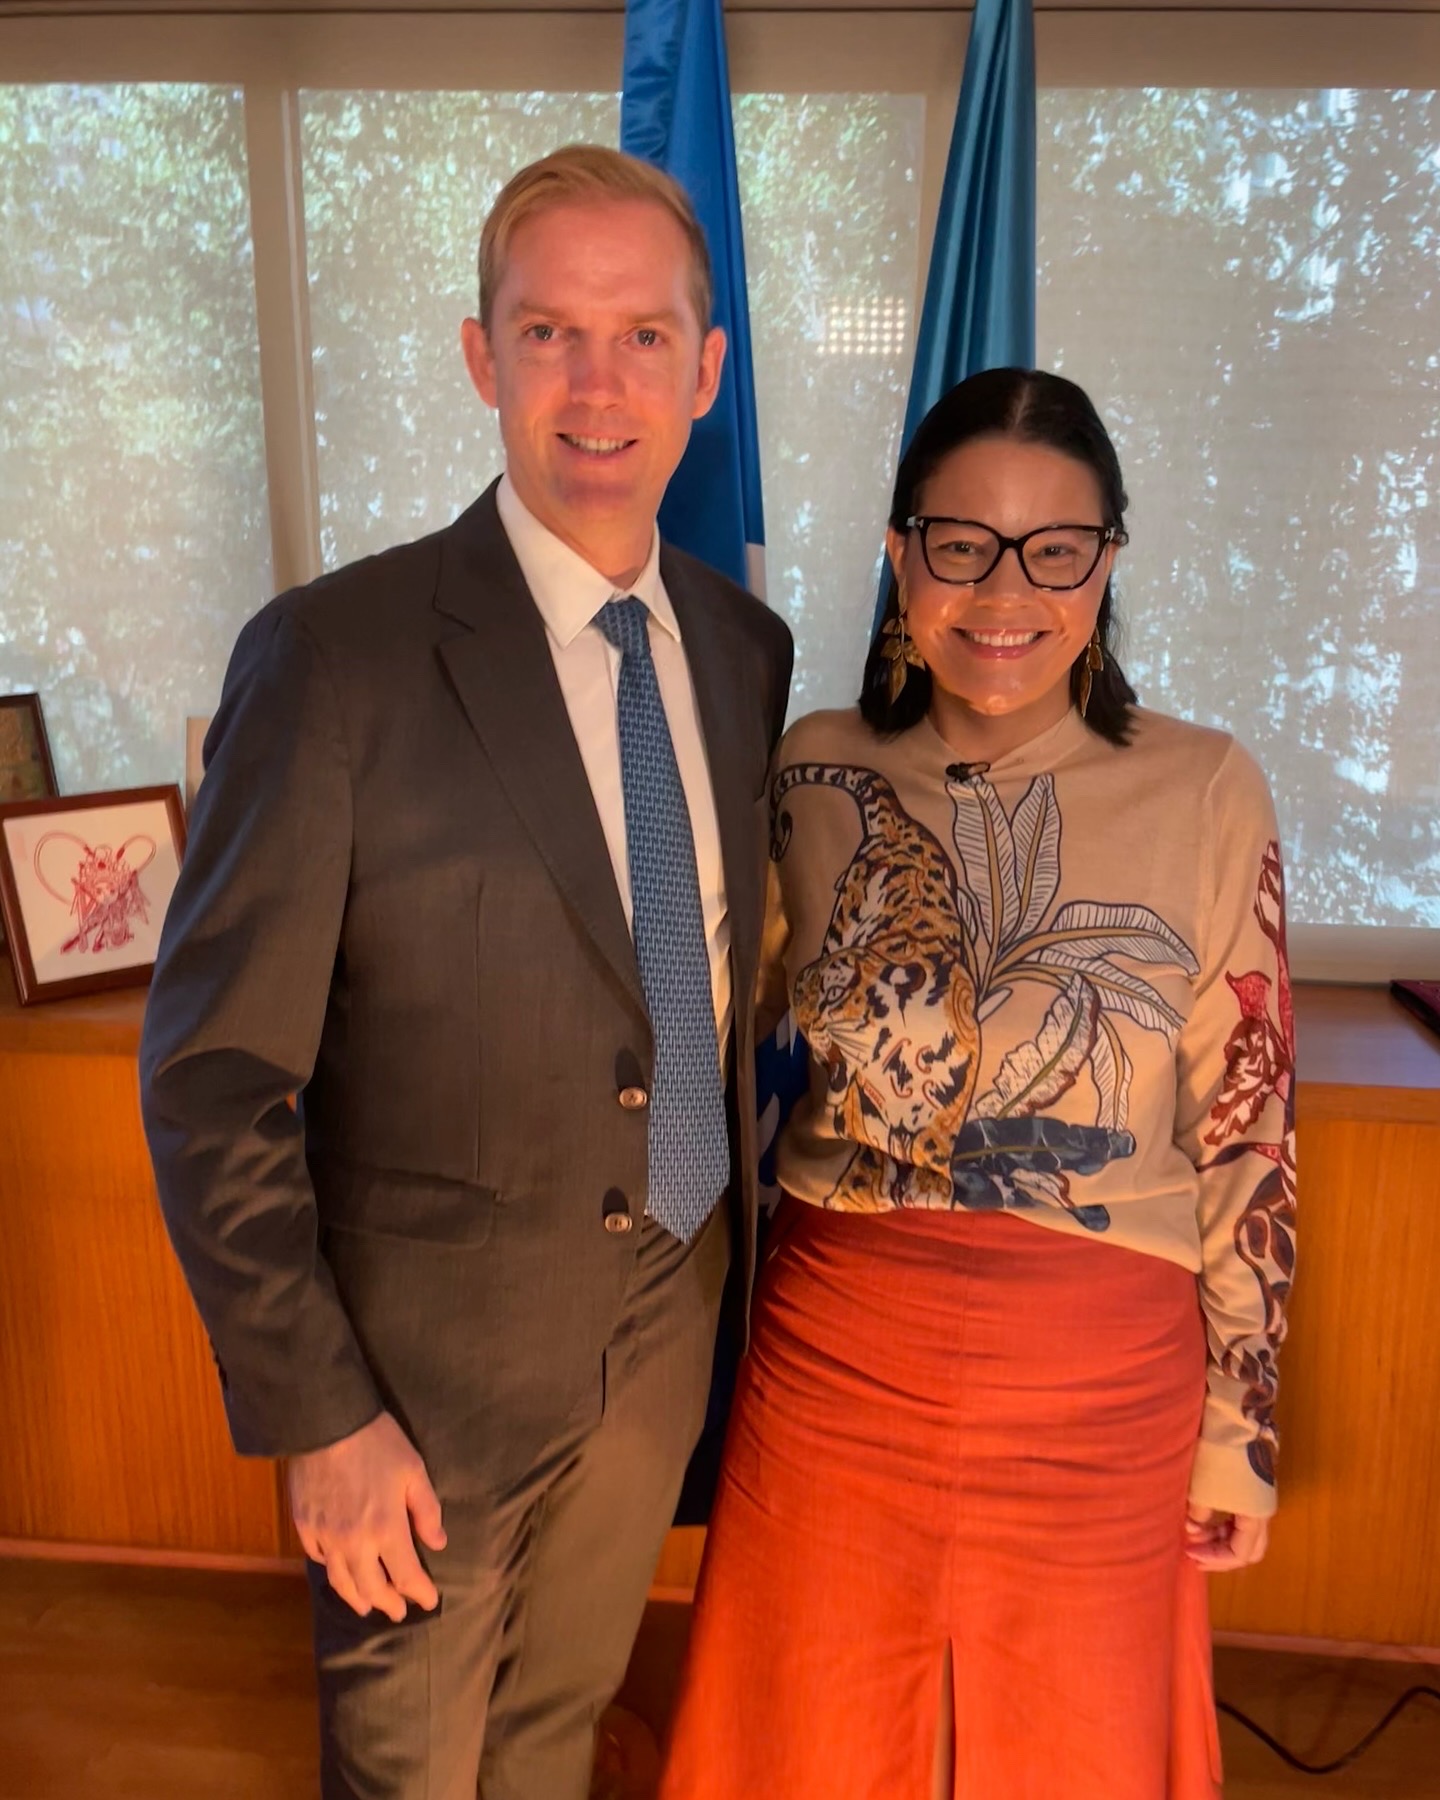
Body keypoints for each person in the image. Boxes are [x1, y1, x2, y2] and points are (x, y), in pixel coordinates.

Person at [140, 144, 792, 1800]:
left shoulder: (740, 650)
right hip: (414, 1386)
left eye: (643, 335)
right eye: (550, 331)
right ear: (480, 356)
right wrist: (318, 1414)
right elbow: (216, 1080)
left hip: (665, 1316)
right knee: (413, 1771)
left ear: (706, 372)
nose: (597, 382)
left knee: (553, 1741)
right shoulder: (331, 659)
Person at [659, 368, 1296, 1800]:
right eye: (961, 542)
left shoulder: (1206, 786)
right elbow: (697, 1017)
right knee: (803, 1741)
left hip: (1103, 1379)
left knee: (1074, 1752)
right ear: (900, 555)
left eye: (1055, 548)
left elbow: (1251, 1122)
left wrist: (1240, 1431)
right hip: (836, 1356)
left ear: (1107, 563)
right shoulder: (814, 768)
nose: (1005, 591)